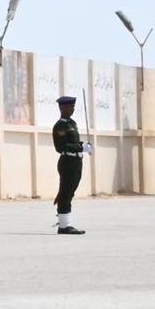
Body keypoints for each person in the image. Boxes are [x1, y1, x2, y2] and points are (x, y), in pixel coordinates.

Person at [52, 93, 87, 234]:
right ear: (63, 107)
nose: (72, 109)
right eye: (70, 107)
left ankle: (64, 221)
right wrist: (81, 147)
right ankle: (64, 225)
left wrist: (83, 145)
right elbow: (61, 147)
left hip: (76, 161)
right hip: (67, 161)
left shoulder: (72, 123)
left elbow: (73, 142)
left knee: (70, 192)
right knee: (66, 192)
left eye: (73, 107)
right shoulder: (60, 126)